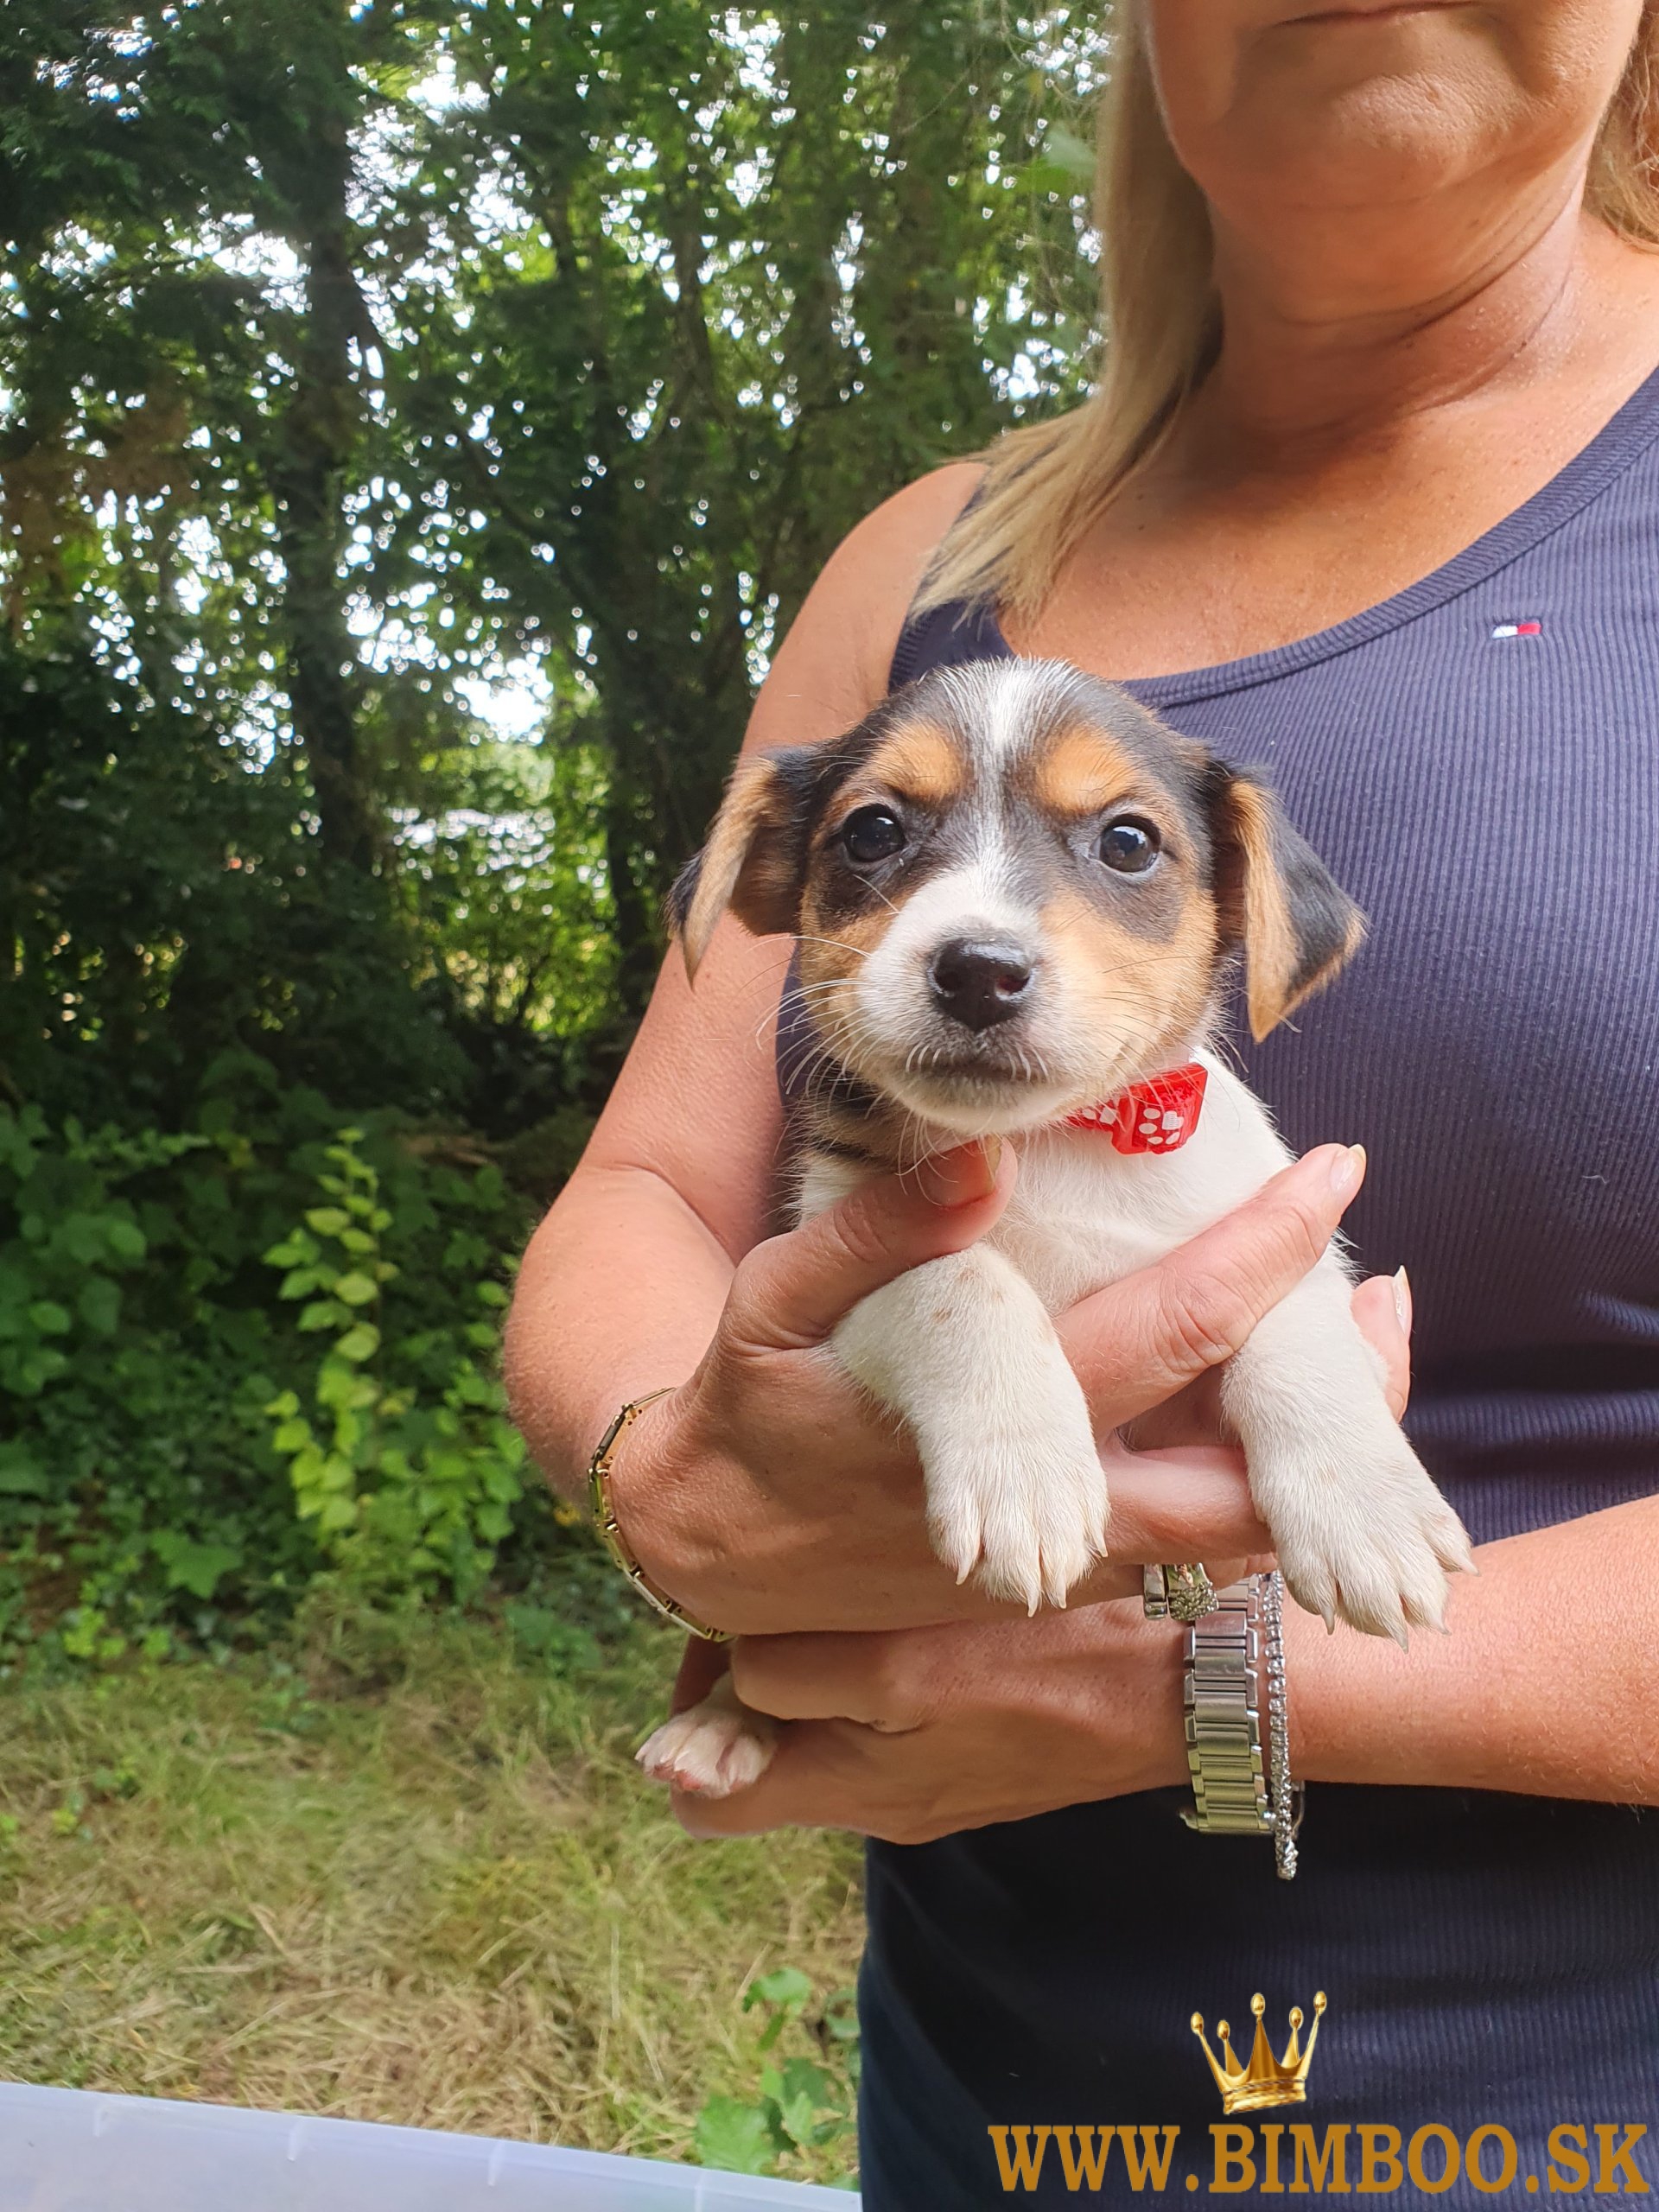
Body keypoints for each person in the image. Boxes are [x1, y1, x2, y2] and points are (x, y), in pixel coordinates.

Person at [506, 3, 1659, 2200]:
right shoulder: (926, 559)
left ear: (1252, 926)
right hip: (992, 2086)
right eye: (882, 845)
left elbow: (1268, 1315)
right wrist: (676, 1466)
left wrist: (1197, 1683)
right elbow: (652, 1192)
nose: (982, 920)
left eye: (1115, 849)